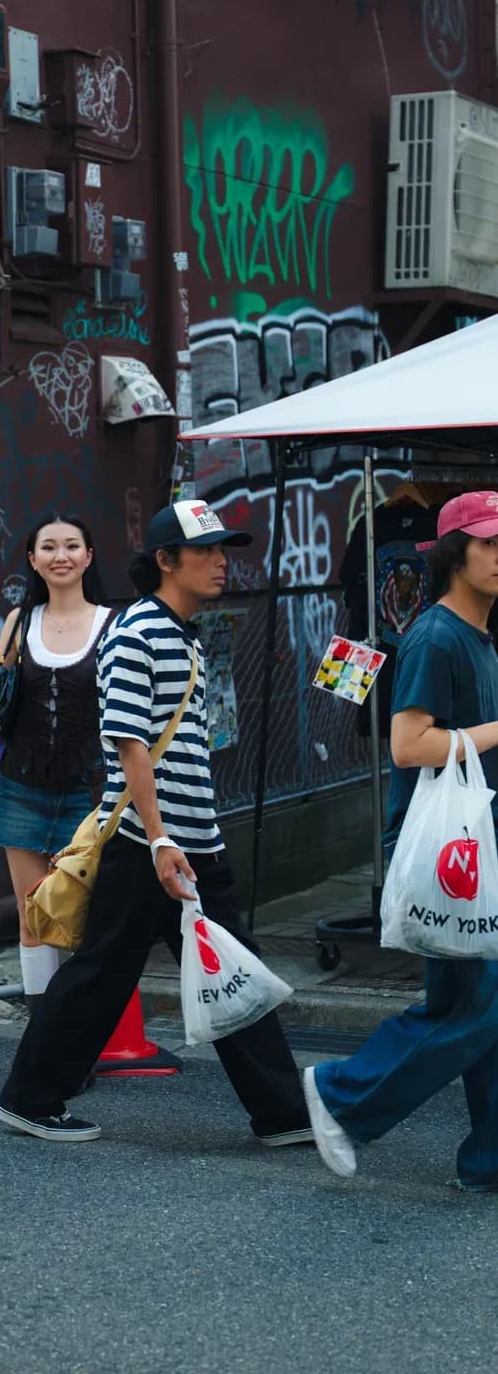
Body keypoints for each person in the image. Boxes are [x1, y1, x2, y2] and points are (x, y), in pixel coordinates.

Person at [0, 499, 313, 1145]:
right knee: (101, 976)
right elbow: (127, 742)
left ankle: (282, 1113)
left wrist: (188, 836)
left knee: (228, 968)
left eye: (224, 551)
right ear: (165, 561)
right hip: (148, 844)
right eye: (207, 552)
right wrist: (163, 837)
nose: (221, 563)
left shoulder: (179, 631)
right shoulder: (140, 630)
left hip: (189, 841)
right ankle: (30, 1097)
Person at [304, 491, 498, 1191]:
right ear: (453, 553)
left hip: (476, 848)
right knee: (473, 1009)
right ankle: (340, 1093)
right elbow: (408, 744)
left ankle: (487, 1161)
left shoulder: (478, 635)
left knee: (475, 1008)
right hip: (448, 856)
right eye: (489, 544)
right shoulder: (434, 636)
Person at [0, 512, 114, 1007]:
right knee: (32, 915)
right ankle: (43, 1032)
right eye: (48, 547)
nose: (60, 556)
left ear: (88, 557)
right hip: (22, 787)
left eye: (70, 546)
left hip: (88, 793)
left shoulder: (113, 624)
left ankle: (80, 1033)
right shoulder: (21, 623)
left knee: (83, 916)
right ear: (33, 560)